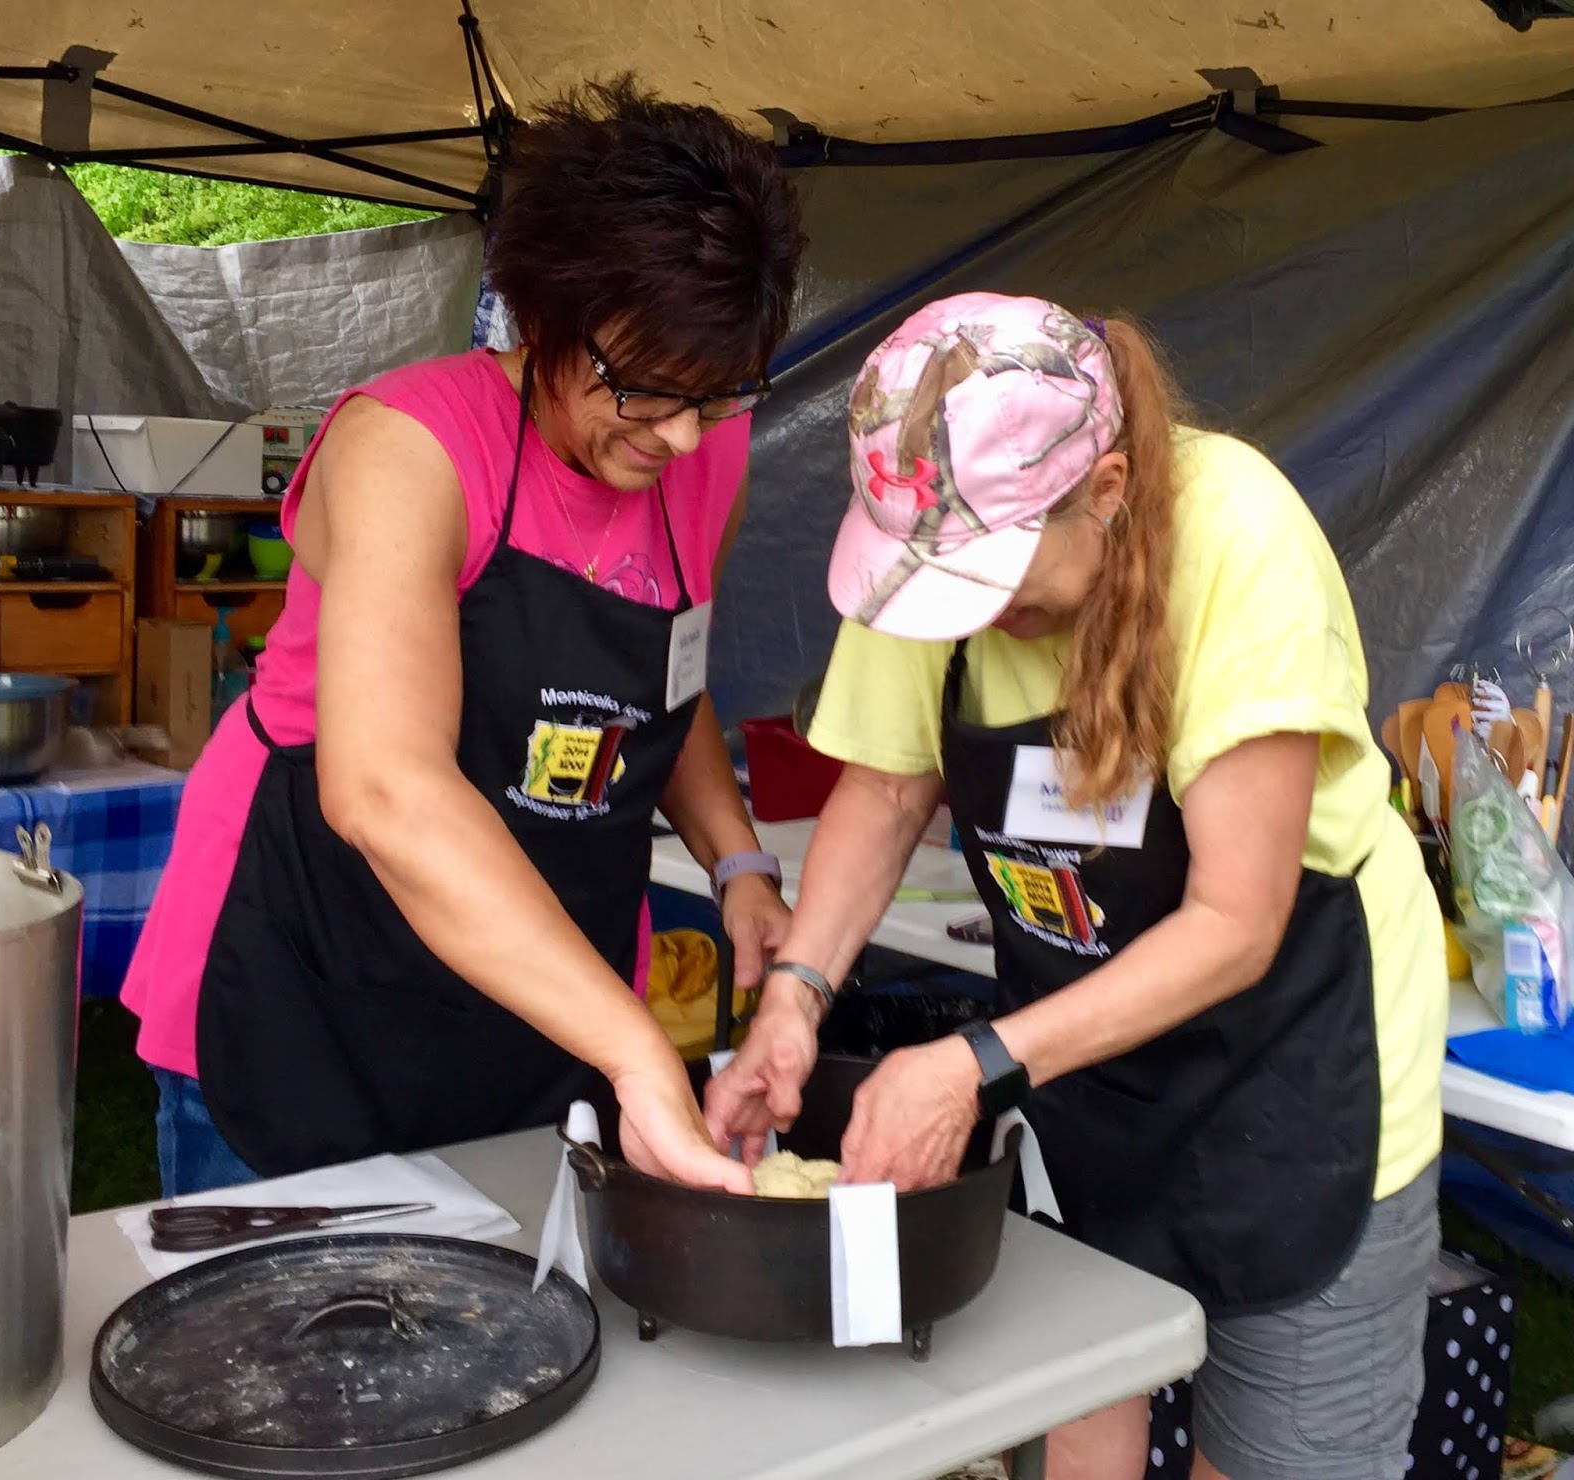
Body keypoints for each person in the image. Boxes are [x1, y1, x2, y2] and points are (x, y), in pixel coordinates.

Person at [706, 292, 1447, 1480]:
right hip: (1088, 1077)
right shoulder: (929, 541)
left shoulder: (1235, 539)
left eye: (994, 581)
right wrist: (793, 997)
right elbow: (886, 790)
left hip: (1296, 1086)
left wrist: (972, 1064)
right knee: (1075, 1415)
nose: (972, 615)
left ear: (1104, 490)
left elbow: (1234, 921)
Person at [122, 76, 805, 1198]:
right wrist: (636, 1045)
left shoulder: (699, 451)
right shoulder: (413, 444)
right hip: (311, 963)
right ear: (540, 317)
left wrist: (737, 860)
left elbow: (661, 684)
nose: (681, 434)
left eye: (719, 393)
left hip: (538, 989)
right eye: (642, 388)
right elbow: (384, 790)